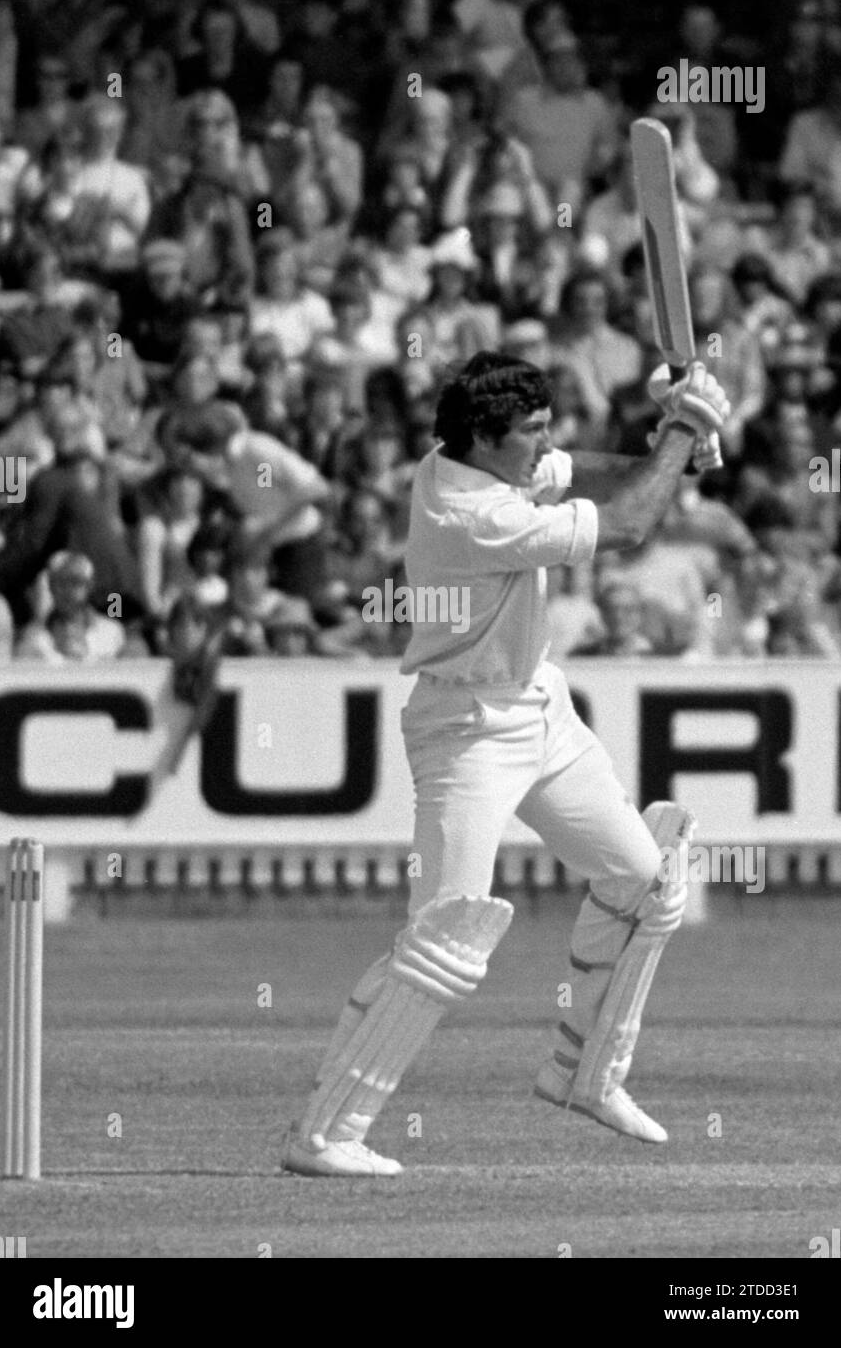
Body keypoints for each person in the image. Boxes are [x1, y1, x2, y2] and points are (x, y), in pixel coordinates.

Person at [282, 348, 730, 1176]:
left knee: (647, 882)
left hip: (538, 706)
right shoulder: (469, 514)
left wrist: (672, 437)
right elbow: (627, 525)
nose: (543, 444)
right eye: (529, 432)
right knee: (447, 938)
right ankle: (326, 1134)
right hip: (466, 730)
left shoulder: (471, 457)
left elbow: (593, 474)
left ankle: (583, 1076)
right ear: (486, 441)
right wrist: (688, 430)